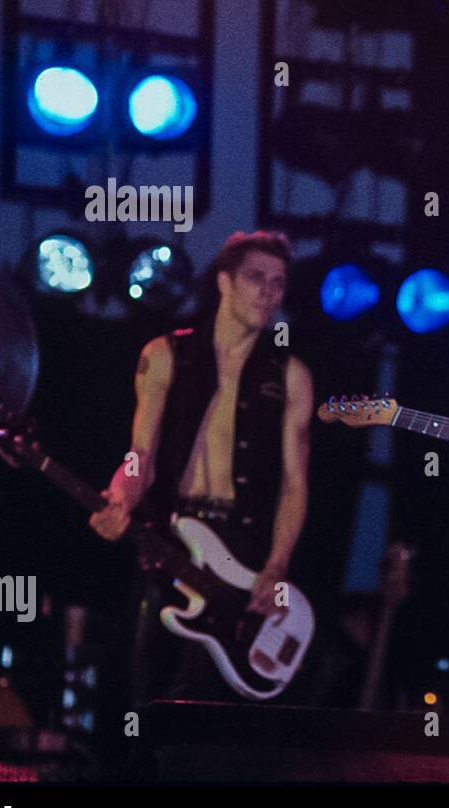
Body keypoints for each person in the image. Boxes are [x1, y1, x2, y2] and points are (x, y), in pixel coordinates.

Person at [89, 231, 314, 704]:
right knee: (146, 692)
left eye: (278, 282)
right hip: (171, 538)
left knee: (212, 707)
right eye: (256, 278)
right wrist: (121, 497)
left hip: (245, 549)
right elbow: (140, 454)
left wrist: (276, 565)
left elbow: (295, 484)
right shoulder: (165, 353)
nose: (268, 292)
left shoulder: (290, 374)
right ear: (224, 282)